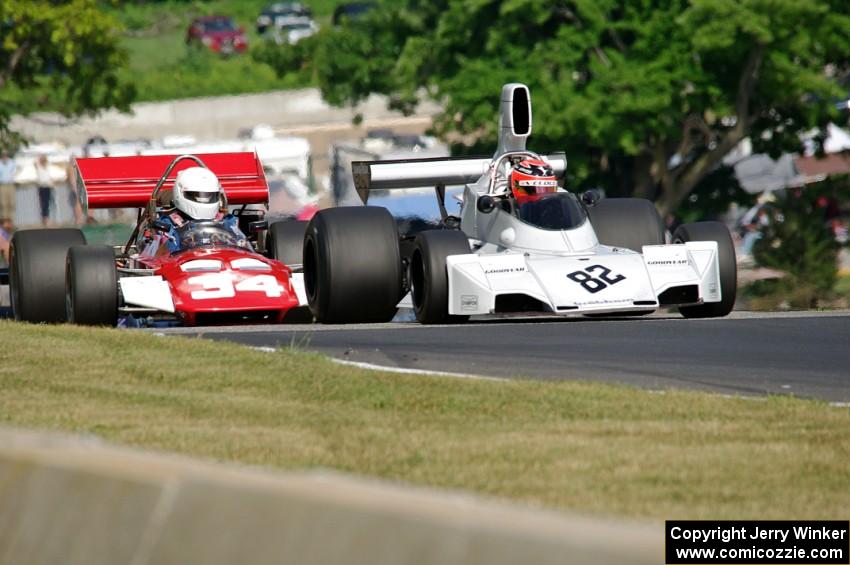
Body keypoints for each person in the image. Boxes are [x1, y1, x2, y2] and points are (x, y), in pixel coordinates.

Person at [141, 166, 249, 257]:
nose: (204, 200)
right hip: (180, 268)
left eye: (209, 196)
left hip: (222, 265)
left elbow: (241, 248)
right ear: (181, 193)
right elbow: (156, 257)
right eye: (197, 196)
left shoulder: (226, 222)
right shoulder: (166, 224)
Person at [34, 155, 55, 226]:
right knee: (44, 204)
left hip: (48, 186)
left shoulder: (47, 167)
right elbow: (35, 161)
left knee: (47, 203)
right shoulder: (39, 167)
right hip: (42, 187)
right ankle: (45, 220)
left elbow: (49, 177)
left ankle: (46, 219)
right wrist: (40, 157)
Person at [0, 150, 16, 229]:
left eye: (6, 155)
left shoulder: (12, 163)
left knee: (11, 202)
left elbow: (14, 173)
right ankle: (5, 221)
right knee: (3, 203)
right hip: (2, 185)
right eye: (3, 155)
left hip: (10, 184)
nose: (4, 156)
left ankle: (10, 221)